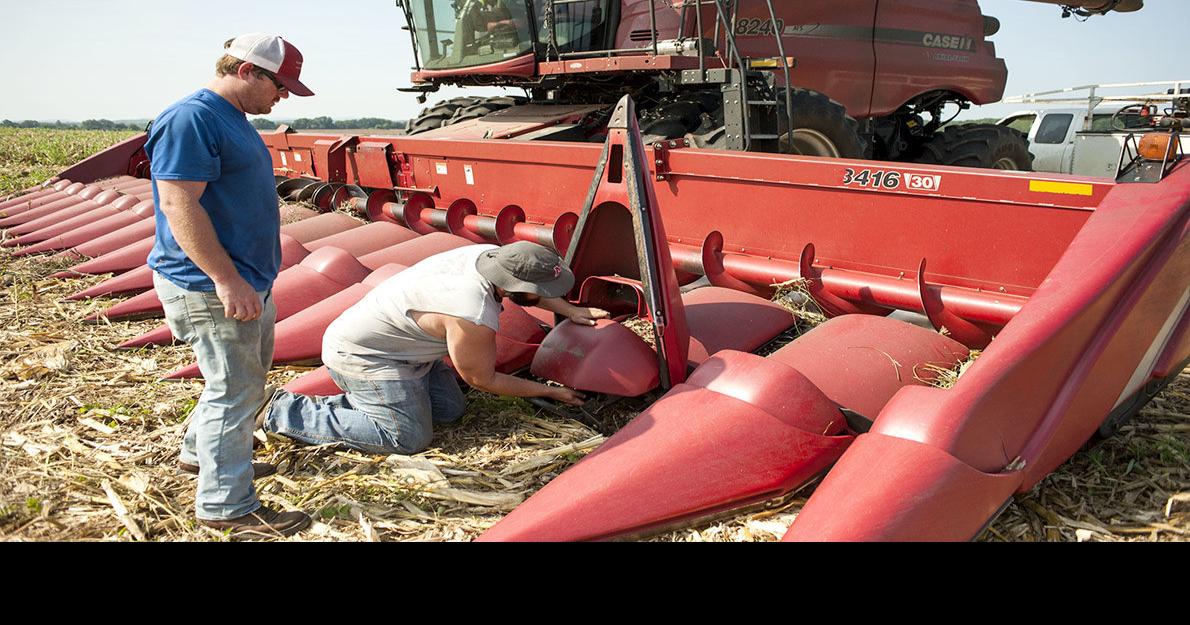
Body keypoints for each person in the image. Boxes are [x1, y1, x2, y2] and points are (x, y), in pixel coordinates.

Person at [147, 34, 315, 537]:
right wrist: (226, 279)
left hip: (241, 281)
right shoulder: (192, 118)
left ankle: (201, 459)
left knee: (235, 383)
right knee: (235, 392)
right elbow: (179, 204)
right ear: (247, 71)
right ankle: (227, 507)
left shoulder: (230, 120)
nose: (282, 97)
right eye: (280, 85)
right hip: (210, 284)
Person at [260, 241, 609, 455]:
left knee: (449, 411)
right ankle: (280, 410)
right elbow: (481, 378)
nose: (549, 298)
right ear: (513, 287)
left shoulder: (487, 257)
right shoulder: (472, 312)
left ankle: (368, 406)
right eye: (544, 293)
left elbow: (532, 288)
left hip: (407, 349)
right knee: (407, 438)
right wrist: (551, 393)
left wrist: (572, 310)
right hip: (367, 357)